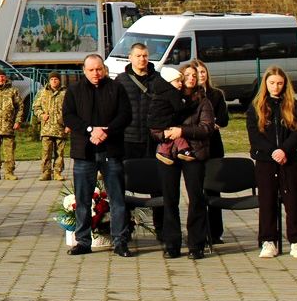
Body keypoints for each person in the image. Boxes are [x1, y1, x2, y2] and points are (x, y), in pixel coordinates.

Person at [62, 54, 132, 257]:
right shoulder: (74, 90)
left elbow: (126, 115)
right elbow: (68, 116)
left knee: (117, 199)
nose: (96, 73)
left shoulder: (116, 88)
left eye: (99, 69)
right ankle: (83, 241)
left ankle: (120, 241)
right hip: (85, 152)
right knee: (83, 200)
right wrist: (90, 130)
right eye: (91, 70)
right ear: (84, 70)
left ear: (104, 69)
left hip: (111, 151)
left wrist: (106, 131)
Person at [149, 63, 214, 259]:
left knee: (196, 198)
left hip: (193, 153)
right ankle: (172, 244)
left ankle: (196, 244)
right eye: (187, 75)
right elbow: (154, 126)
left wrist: (182, 131)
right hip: (168, 154)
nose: (191, 78)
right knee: (170, 199)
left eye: (195, 75)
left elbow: (206, 128)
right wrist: (166, 135)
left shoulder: (203, 102)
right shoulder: (165, 98)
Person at [247, 66, 297, 259]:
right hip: (266, 160)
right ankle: (268, 241)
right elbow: (254, 134)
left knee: (293, 200)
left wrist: (284, 149)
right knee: (267, 200)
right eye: (272, 83)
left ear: (284, 84)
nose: (275, 87)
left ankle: (296, 240)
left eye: (279, 83)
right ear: (265, 84)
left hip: (290, 159)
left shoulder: (294, 106)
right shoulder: (256, 107)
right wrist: (273, 151)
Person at [115, 42, 162, 234]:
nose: (142, 59)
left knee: (158, 186)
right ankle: (125, 229)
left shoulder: (158, 80)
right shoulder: (121, 80)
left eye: (145, 56)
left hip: (152, 140)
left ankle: (162, 229)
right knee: (123, 186)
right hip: (128, 140)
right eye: (138, 56)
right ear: (130, 58)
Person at [194, 60, 230, 245]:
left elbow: (224, 119)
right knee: (198, 190)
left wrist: (214, 123)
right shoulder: (190, 96)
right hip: (196, 146)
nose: (201, 75)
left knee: (214, 189)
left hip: (214, 145)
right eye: (197, 72)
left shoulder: (216, 95)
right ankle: (201, 231)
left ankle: (216, 232)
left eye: (203, 72)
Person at [31, 71, 67, 181]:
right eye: (52, 79)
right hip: (46, 128)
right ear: (49, 81)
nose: (54, 81)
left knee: (59, 152)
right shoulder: (42, 93)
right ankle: (46, 172)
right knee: (46, 152)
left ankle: (57, 172)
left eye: (56, 79)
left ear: (59, 80)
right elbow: (35, 107)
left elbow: (71, 109)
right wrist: (42, 115)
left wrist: (68, 124)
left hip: (60, 127)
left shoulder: (65, 93)